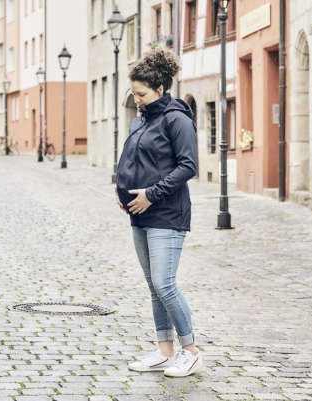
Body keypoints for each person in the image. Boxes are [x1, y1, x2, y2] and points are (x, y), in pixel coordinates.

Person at [115, 48, 201, 378]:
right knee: (153, 286)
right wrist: (120, 187)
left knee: (165, 284)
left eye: (142, 93)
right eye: (134, 93)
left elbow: (188, 166)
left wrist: (151, 194)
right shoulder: (141, 120)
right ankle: (165, 351)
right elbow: (133, 159)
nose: (137, 99)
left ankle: (190, 351)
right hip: (139, 214)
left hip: (166, 214)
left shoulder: (177, 119)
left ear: (160, 88)